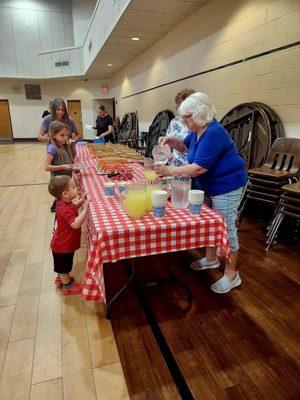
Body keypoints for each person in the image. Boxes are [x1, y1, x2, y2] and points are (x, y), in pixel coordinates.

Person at [155, 92, 247, 294]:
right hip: (209, 184)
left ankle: (232, 275)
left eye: (185, 117)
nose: (182, 120)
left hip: (227, 185)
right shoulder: (198, 130)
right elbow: (185, 147)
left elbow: (198, 168)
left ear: (198, 114)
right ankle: (211, 259)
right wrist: (173, 141)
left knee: (226, 227)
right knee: (209, 223)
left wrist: (169, 171)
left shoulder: (214, 132)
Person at [48, 175, 89, 295]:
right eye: (74, 187)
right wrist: (85, 210)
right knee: (64, 267)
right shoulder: (65, 209)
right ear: (65, 194)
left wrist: (80, 201)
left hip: (62, 244)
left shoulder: (62, 203)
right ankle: (67, 287)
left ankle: (61, 277)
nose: (76, 188)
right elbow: (75, 224)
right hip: (63, 246)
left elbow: (72, 207)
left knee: (62, 265)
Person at [165, 88, 195, 166]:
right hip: (174, 166)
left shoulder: (198, 125)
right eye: (178, 108)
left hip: (190, 169)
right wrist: (168, 151)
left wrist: (168, 171)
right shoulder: (174, 122)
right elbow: (183, 147)